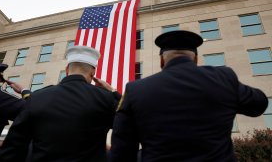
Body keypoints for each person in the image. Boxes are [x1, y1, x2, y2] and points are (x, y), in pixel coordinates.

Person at [110, 30, 268, 162]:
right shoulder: (224, 78)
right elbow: (258, 104)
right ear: (196, 59)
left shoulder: (136, 89)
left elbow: (121, 151)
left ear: (161, 61)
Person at [0, 46, 121, 162]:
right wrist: (112, 91)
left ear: (67, 69)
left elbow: (14, 145)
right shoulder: (106, 98)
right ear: (93, 72)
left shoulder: (37, 97)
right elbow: (128, 121)